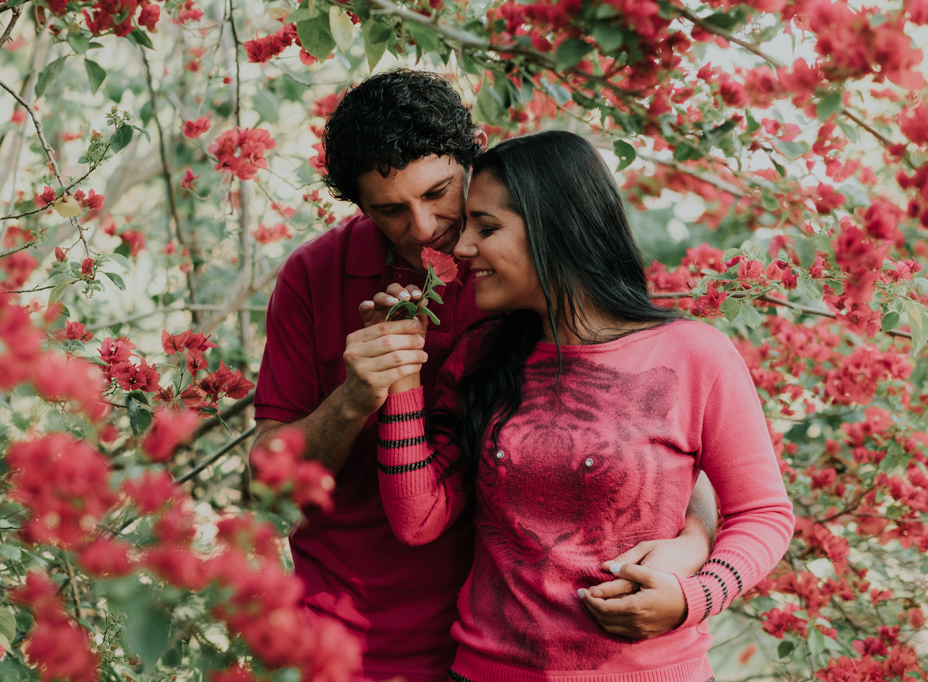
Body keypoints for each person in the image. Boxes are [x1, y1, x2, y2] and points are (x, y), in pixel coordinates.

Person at [252, 71, 719, 682]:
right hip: (354, 627)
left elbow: (657, 435)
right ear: (359, 206)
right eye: (390, 210)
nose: (423, 228)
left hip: (517, 631)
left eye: (439, 192)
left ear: (472, 160)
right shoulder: (313, 277)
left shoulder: (527, 272)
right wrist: (354, 398)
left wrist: (697, 544)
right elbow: (269, 484)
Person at [372, 132, 795, 682]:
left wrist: (694, 596)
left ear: (556, 226)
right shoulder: (480, 358)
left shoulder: (695, 355)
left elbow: (763, 512)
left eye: (488, 227)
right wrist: (403, 375)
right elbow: (416, 519)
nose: (461, 247)